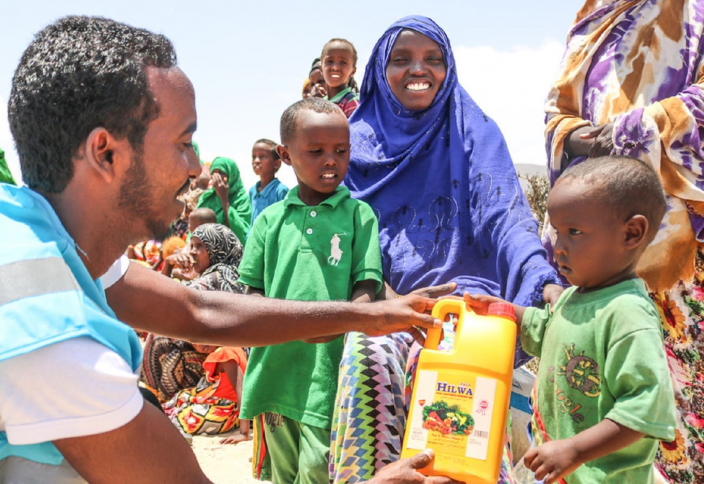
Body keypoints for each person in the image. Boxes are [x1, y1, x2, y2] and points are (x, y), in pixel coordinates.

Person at [0, 15, 455, 483]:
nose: (196, 164)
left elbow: (199, 310)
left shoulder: (33, 237)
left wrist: (373, 315)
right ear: (105, 152)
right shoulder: (52, 335)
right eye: (183, 142)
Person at [331, 16, 563, 483]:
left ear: (448, 67)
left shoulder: (474, 131)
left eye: (433, 59)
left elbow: (506, 216)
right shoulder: (350, 146)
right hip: (386, 303)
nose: (419, 69)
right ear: (379, 71)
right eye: (402, 60)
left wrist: (542, 279)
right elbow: (339, 235)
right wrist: (386, 303)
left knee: (454, 371)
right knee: (365, 355)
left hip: (466, 300)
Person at [544, 2, 704, 482]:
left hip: (682, 247)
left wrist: (631, 133)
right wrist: (588, 142)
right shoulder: (597, 12)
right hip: (596, 241)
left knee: (681, 414)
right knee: (586, 385)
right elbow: (559, 112)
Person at [467, 156, 677, 483]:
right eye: (555, 230)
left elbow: (644, 409)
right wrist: (506, 310)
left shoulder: (627, 314)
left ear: (632, 233)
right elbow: (549, 330)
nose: (557, 247)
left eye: (574, 232)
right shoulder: (574, 296)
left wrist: (576, 449)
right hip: (563, 468)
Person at [237, 97, 383, 483]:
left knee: (320, 469)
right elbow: (249, 293)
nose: (331, 160)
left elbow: (367, 288)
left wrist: (341, 325)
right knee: (284, 475)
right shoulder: (269, 221)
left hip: (331, 376)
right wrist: (278, 326)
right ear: (285, 155)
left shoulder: (358, 216)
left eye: (341, 151)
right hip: (275, 376)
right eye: (315, 151)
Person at [161, 224, 249, 441]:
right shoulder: (234, 273)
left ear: (217, 249)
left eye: (199, 246)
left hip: (232, 370)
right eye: (191, 245)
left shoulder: (218, 277)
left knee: (161, 338)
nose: (191, 252)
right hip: (224, 365)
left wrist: (170, 266)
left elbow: (165, 300)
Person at [195, 156, 252, 245]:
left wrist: (224, 199)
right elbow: (195, 226)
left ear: (232, 175)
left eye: (221, 173)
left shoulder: (242, 200)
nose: (217, 178)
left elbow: (241, 235)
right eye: (214, 173)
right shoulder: (206, 198)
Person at [248, 138, 289, 224]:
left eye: (262, 157)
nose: (256, 161)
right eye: (254, 157)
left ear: (276, 164)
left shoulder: (281, 191)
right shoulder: (252, 191)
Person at [321, 39, 360, 118]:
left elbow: (354, 129)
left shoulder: (351, 101)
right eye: (330, 61)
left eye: (343, 62)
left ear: (353, 71)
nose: (335, 67)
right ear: (321, 68)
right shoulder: (320, 103)